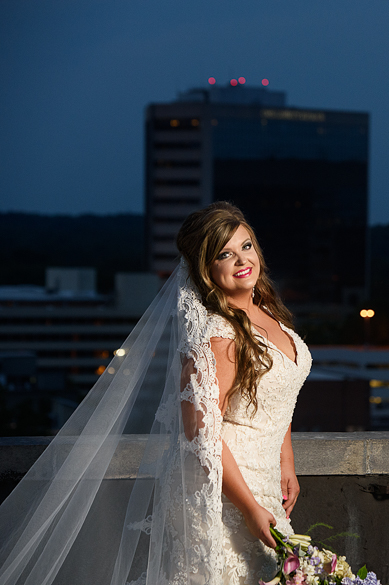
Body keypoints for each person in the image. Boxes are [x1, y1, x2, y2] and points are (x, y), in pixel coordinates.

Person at [0, 202, 311, 585]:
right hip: (226, 492)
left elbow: (279, 395)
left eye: (246, 246)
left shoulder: (268, 312)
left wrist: (287, 461)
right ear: (206, 269)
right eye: (224, 254)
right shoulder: (217, 337)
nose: (241, 260)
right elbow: (202, 436)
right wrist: (248, 508)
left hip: (266, 482)